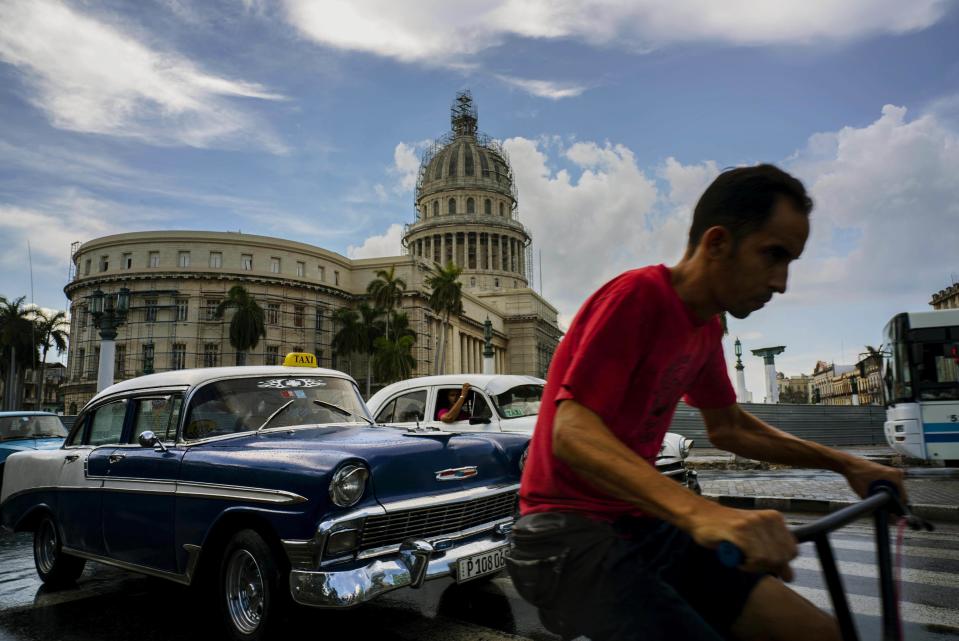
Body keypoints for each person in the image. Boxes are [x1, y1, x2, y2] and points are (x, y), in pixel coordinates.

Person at [507, 164, 905, 641]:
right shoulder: (638, 297)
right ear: (717, 243)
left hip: (639, 524)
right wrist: (703, 512)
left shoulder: (705, 328)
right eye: (773, 255)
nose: (781, 282)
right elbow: (570, 432)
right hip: (565, 537)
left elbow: (731, 428)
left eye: (790, 262)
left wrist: (845, 464)